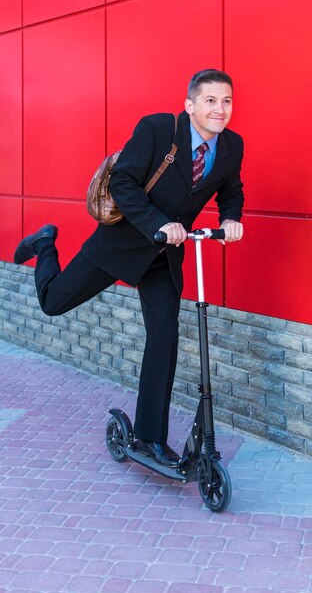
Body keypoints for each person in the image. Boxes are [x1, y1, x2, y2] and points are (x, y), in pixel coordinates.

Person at [13, 68, 244, 467]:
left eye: (226, 101)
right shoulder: (157, 129)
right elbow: (123, 184)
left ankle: (149, 438)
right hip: (121, 243)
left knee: (164, 339)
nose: (219, 109)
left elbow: (231, 189)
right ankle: (45, 244)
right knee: (53, 302)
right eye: (210, 100)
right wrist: (158, 223)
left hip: (164, 256)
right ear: (190, 105)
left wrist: (230, 218)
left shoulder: (231, 146)